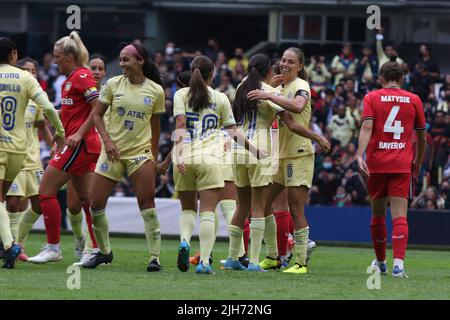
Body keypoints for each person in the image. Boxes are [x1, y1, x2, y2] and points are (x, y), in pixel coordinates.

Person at [224, 53, 329, 272]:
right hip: (275, 153)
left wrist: (317, 137)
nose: (285, 64)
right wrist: (270, 91)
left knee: (294, 207)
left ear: (300, 66)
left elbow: (297, 109)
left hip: (296, 152)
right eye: (283, 60)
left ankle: (300, 261)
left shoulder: (301, 86)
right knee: (264, 206)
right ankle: (272, 256)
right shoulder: (274, 89)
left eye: (291, 61)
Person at [173, 55, 264, 275]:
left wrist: (178, 154)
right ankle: (204, 262)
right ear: (212, 74)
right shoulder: (221, 97)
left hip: (185, 158)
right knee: (207, 211)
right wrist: (255, 150)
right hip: (210, 160)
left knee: (187, 208)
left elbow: (180, 124)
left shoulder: (180, 94)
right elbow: (233, 132)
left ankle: (185, 241)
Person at [84, 42, 165, 272]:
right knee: (96, 203)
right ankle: (104, 252)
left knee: (147, 204)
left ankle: (154, 258)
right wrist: (107, 142)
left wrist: (154, 156)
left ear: (140, 61)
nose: (122, 64)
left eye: (126, 60)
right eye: (120, 60)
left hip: (140, 154)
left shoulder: (155, 90)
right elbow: (97, 115)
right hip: (112, 152)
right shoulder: (112, 84)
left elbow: (155, 127)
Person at [27, 31, 100, 264]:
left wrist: (78, 133)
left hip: (79, 143)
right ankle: (95, 249)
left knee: (46, 191)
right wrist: (52, 115)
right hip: (81, 143)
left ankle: (53, 248)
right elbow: (74, 111)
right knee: (86, 200)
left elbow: (98, 108)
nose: (54, 60)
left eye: (58, 57)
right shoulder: (70, 79)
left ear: (70, 56)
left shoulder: (81, 76)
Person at [356, 57, 426, 278]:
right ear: (402, 79)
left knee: (377, 215)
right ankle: (398, 265)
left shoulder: (371, 97)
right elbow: (422, 138)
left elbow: (367, 128)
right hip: (401, 163)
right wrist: (418, 162)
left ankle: (381, 262)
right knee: (400, 216)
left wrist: (359, 154)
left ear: (381, 79)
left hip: (377, 163)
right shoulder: (414, 99)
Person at [0, 37, 64, 268]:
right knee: (11, 202)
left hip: (8, 150)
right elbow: (48, 106)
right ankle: (11, 245)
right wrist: (61, 130)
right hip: (18, 150)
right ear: (14, 55)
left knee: (13, 202)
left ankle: (9, 244)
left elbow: (40, 119)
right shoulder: (25, 79)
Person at [5, 58, 53, 262]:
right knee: (13, 203)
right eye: (25, 70)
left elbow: (41, 126)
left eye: (33, 71)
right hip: (13, 155)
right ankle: (12, 247)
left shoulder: (36, 100)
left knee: (40, 204)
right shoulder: (8, 94)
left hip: (33, 159)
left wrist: (54, 145)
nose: (30, 73)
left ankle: (16, 243)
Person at [67, 54, 107, 264]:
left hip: (99, 153)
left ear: (105, 72)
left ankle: (94, 248)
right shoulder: (80, 94)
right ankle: (80, 239)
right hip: (80, 149)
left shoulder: (110, 96)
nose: (97, 71)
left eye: (100, 68)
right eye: (93, 67)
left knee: (91, 202)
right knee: (73, 205)